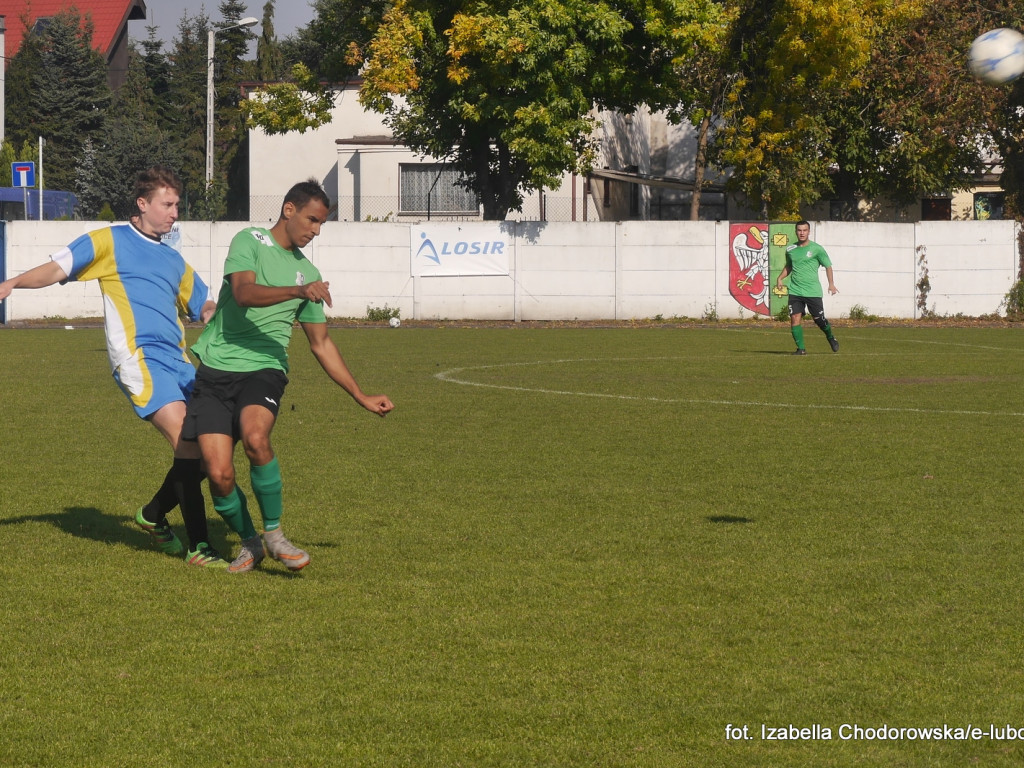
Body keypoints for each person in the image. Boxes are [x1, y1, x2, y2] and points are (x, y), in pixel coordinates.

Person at [0, 166, 228, 566]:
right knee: (189, 444)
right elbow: (58, 268)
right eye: (168, 204)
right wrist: (12, 283)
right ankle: (199, 547)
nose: (175, 213)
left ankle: (155, 515)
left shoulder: (174, 260)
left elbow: (202, 303)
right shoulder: (109, 240)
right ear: (142, 204)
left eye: (177, 204)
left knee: (215, 444)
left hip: (180, 362)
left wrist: (213, 312)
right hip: (140, 359)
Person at [182, 179, 394, 573]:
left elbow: (322, 344)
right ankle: (251, 543)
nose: (315, 230)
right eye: (312, 220)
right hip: (215, 370)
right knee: (218, 473)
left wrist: (360, 395)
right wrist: (298, 293)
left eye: (321, 225)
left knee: (256, 439)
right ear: (289, 210)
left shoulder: (308, 272)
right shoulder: (250, 241)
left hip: (265, 369)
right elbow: (244, 294)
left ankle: (276, 536)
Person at [775, 220, 839, 355]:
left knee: (819, 320)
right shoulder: (791, 249)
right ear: (796, 231)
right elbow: (789, 266)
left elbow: (828, 265)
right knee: (794, 318)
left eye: (804, 230)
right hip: (795, 290)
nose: (802, 233)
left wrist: (831, 284)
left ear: (809, 232)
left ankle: (830, 336)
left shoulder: (817, 249)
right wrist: (780, 278)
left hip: (812, 291)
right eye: (799, 230)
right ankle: (801, 349)